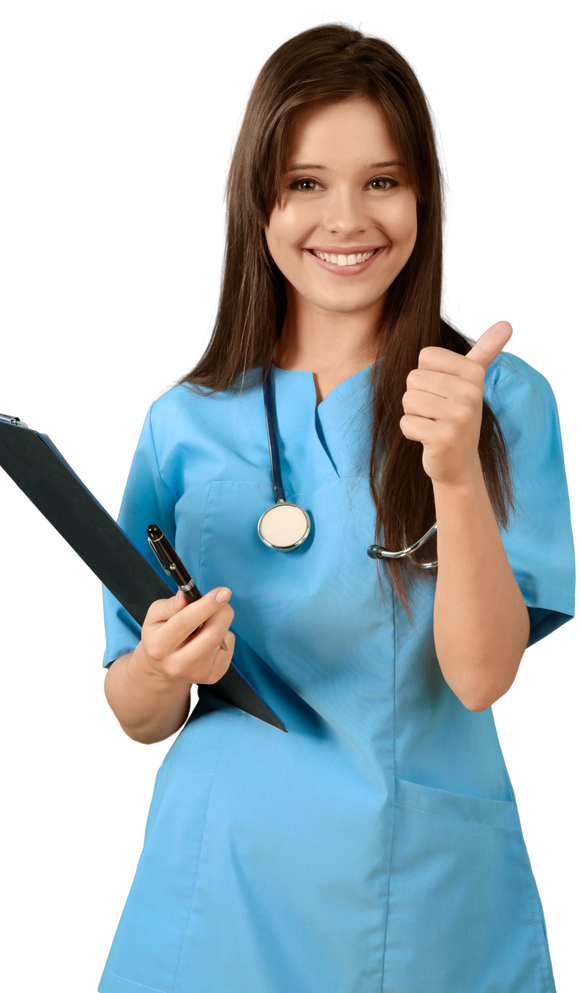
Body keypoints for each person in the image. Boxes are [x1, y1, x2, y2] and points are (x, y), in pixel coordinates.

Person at [96, 22, 575, 993]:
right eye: (306, 182)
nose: (346, 219)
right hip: (207, 902)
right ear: (256, 202)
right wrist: (161, 666)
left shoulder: (496, 400)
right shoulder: (181, 423)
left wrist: (450, 469)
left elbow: (485, 678)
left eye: (383, 181)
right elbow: (131, 712)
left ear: (425, 197)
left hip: (411, 906)